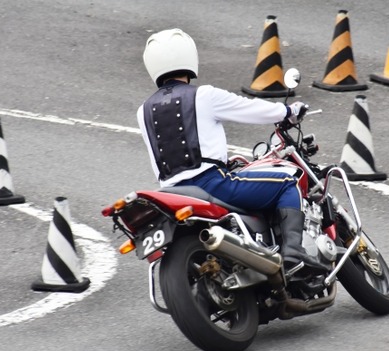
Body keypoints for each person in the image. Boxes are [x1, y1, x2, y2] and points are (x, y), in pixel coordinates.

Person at [136, 29, 330, 273]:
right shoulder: (203, 96)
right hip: (212, 183)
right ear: (189, 57)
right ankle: (293, 250)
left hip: (172, 192)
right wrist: (288, 112)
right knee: (286, 183)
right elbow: (249, 108)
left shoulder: (143, 112)